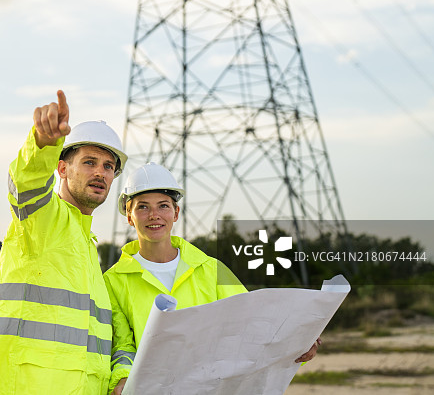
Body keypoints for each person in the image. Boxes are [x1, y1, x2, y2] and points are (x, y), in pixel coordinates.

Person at [104, 163, 321, 395]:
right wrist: (123, 378)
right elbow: (122, 347)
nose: (154, 215)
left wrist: (297, 342)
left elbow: (255, 323)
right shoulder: (113, 280)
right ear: (129, 215)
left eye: (163, 206)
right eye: (142, 207)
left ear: (176, 213)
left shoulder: (210, 269)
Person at [0, 90, 128, 395]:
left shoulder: (87, 247)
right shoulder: (43, 218)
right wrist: (43, 144)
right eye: (89, 162)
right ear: (62, 169)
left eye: (108, 166)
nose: (100, 172)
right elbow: (26, 183)